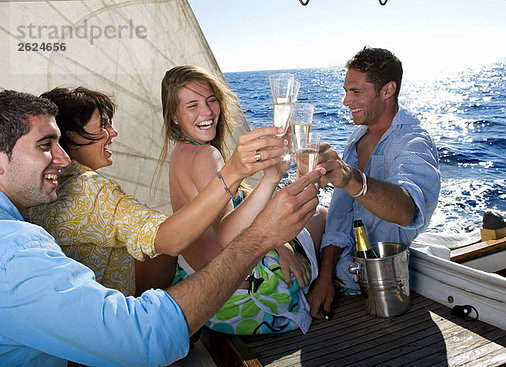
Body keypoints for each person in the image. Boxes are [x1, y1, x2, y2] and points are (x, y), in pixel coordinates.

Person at [0, 89, 323, 366]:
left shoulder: (33, 204)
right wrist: (247, 194)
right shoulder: (40, 230)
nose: (63, 158)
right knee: (319, 219)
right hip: (104, 344)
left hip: (76, 335)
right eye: (46, 145)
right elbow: (167, 242)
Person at [28, 87, 287, 296]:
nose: (114, 132)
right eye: (104, 125)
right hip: (117, 318)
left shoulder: (37, 186)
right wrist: (233, 172)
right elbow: (170, 241)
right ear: (71, 137)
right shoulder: (90, 191)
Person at [157, 65, 327, 335]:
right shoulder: (205, 156)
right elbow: (226, 235)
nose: (207, 112)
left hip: (194, 288)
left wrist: (281, 244)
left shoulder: (182, 152)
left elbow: (216, 223)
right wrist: (271, 179)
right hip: (234, 302)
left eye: (211, 100)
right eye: (192, 105)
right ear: (174, 116)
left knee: (293, 237)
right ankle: (326, 283)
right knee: (319, 216)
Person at [307, 47, 441, 319]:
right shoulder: (358, 136)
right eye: (345, 91)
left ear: (388, 90)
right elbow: (340, 216)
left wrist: (352, 179)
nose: (346, 101)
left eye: (356, 92)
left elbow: (406, 211)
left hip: (383, 290)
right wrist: (324, 275)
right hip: (336, 277)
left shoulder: (412, 142)